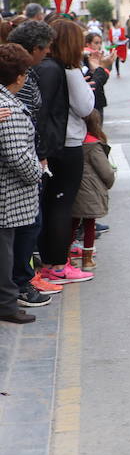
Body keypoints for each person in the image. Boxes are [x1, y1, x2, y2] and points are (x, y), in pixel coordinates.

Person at [36, 20, 95, 284]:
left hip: (52, 145)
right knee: (61, 205)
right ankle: (58, 265)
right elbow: (85, 107)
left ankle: (51, 261)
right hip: (67, 143)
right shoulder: (68, 71)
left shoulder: (45, 67)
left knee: (51, 204)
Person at [5, 22, 62, 296]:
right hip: (26, 164)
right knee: (27, 226)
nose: (49, 51)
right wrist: (36, 167)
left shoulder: (29, 76)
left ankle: (23, 279)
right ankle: (22, 282)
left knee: (30, 224)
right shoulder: (17, 87)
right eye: (45, 47)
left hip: (32, 156)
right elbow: (20, 134)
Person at [0, 43, 44, 323]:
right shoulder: (8, 107)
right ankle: (6, 305)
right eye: (26, 72)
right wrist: (37, 172)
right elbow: (17, 155)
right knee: (5, 252)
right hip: (10, 195)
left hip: (9, 193)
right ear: (18, 76)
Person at [70, 110, 115, 271]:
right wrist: (108, 183)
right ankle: (87, 260)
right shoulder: (93, 145)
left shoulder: (72, 141)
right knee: (89, 223)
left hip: (73, 187)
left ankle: (67, 257)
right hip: (90, 189)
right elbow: (106, 171)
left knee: (73, 222)